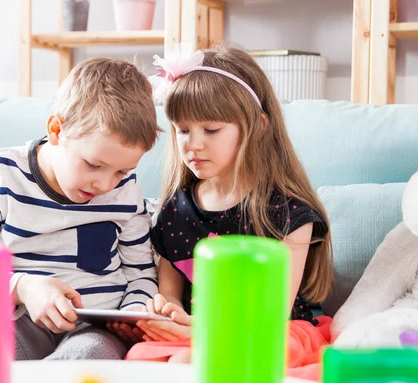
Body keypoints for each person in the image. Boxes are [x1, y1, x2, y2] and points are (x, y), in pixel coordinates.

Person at [127, 44, 334, 363]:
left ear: (258, 127)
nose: (193, 144)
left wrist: (204, 332)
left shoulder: (287, 213)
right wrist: (169, 312)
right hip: (193, 333)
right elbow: (169, 292)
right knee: (142, 356)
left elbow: (274, 311)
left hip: (270, 332)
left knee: (196, 361)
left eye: (211, 129)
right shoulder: (176, 209)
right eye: (182, 130)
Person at [0, 57, 161, 360]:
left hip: (96, 328)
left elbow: (141, 274)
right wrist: (23, 288)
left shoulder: (126, 190)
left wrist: (132, 316)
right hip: (18, 319)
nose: (104, 184)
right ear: (56, 130)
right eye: (93, 164)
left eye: (121, 172)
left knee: (85, 359)